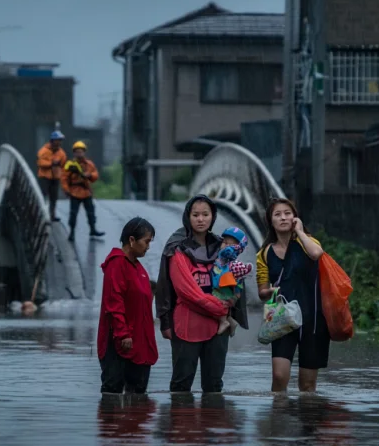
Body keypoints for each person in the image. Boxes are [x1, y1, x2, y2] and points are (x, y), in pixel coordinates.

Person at [154, 195, 249, 394]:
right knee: (181, 385)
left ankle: (212, 424)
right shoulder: (177, 247)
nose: (200, 219)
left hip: (218, 327)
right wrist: (220, 307)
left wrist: (235, 298)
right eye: (195, 214)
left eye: (205, 214)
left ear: (213, 217)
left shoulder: (222, 246)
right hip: (187, 324)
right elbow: (187, 292)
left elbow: (234, 277)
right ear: (187, 217)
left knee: (214, 386)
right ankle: (180, 424)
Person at [256, 198, 327, 393]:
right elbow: (261, 292)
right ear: (271, 221)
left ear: (295, 217)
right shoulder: (264, 253)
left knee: (307, 385)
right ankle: (278, 419)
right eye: (277, 214)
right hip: (282, 318)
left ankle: (307, 421)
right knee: (279, 377)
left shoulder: (308, 242)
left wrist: (300, 232)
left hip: (313, 318)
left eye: (287, 213)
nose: (283, 218)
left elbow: (317, 254)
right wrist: (268, 292)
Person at [98, 217, 158, 394]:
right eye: (146, 242)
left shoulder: (139, 269)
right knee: (113, 393)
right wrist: (123, 334)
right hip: (121, 342)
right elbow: (114, 302)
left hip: (139, 342)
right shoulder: (116, 265)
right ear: (131, 240)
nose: (148, 247)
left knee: (138, 397)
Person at [211, 227, 253, 337]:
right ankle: (230, 321)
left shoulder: (232, 262)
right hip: (219, 286)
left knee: (218, 302)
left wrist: (235, 295)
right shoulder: (219, 259)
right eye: (224, 242)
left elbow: (239, 281)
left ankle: (224, 321)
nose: (225, 246)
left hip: (225, 290)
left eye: (230, 245)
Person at [61, 141, 106, 242]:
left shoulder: (89, 164)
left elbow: (95, 175)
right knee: (73, 213)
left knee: (91, 212)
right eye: (77, 152)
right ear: (74, 153)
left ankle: (93, 229)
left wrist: (89, 175)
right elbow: (63, 178)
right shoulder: (70, 164)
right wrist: (66, 190)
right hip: (74, 192)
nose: (79, 154)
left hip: (86, 192)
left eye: (81, 151)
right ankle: (72, 232)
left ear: (84, 152)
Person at [36, 130, 67, 221]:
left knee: (53, 197)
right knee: (42, 196)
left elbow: (63, 163)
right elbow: (40, 162)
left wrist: (59, 164)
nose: (59, 142)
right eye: (58, 140)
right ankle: (39, 215)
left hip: (55, 177)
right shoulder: (43, 151)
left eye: (60, 140)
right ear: (53, 140)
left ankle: (52, 215)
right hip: (44, 177)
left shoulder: (61, 153)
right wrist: (51, 163)